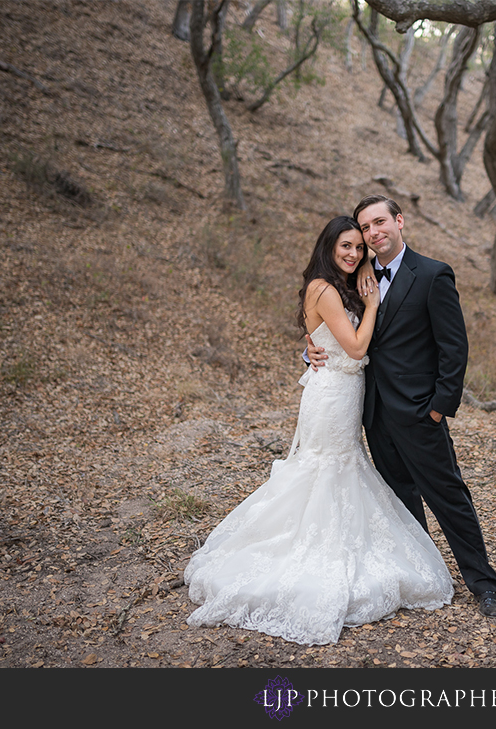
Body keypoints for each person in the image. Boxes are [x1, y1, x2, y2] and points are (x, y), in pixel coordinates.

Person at [183, 216, 453, 646]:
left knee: (343, 469)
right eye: (345, 246)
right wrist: (373, 306)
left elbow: (330, 338)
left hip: (345, 394)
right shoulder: (323, 289)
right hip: (331, 397)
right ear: (327, 247)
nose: (353, 254)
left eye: (358, 248)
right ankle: (307, 551)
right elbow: (358, 346)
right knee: (323, 469)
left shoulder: (338, 285)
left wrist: (320, 340)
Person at [307, 195, 496, 618]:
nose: (373, 233)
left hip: (419, 412)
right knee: (399, 500)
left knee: (448, 495)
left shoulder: (432, 275)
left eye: (380, 223)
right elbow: (335, 329)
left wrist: (438, 408)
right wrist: (310, 351)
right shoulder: (355, 274)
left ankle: (483, 583)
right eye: (365, 228)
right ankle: (424, 575)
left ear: (399, 221)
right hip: (372, 413)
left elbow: (454, 348)